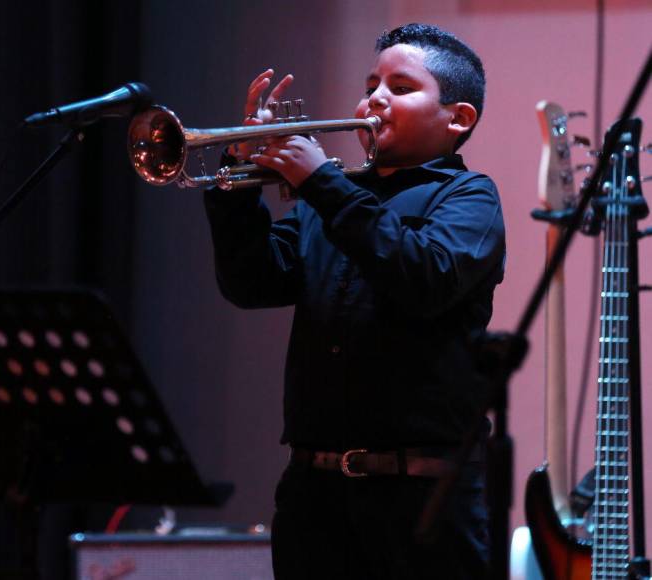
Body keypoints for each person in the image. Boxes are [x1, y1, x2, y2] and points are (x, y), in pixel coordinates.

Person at [204, 23, 505, 580]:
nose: (375, 99)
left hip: (422, 500)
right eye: (371, 84)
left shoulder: (469, 197)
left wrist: (323, 183)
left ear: (458, 119)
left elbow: (424, 277)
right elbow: (251, 283)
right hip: (312, 495)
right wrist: (240, 174)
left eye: (401, 86)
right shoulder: (332, 198)